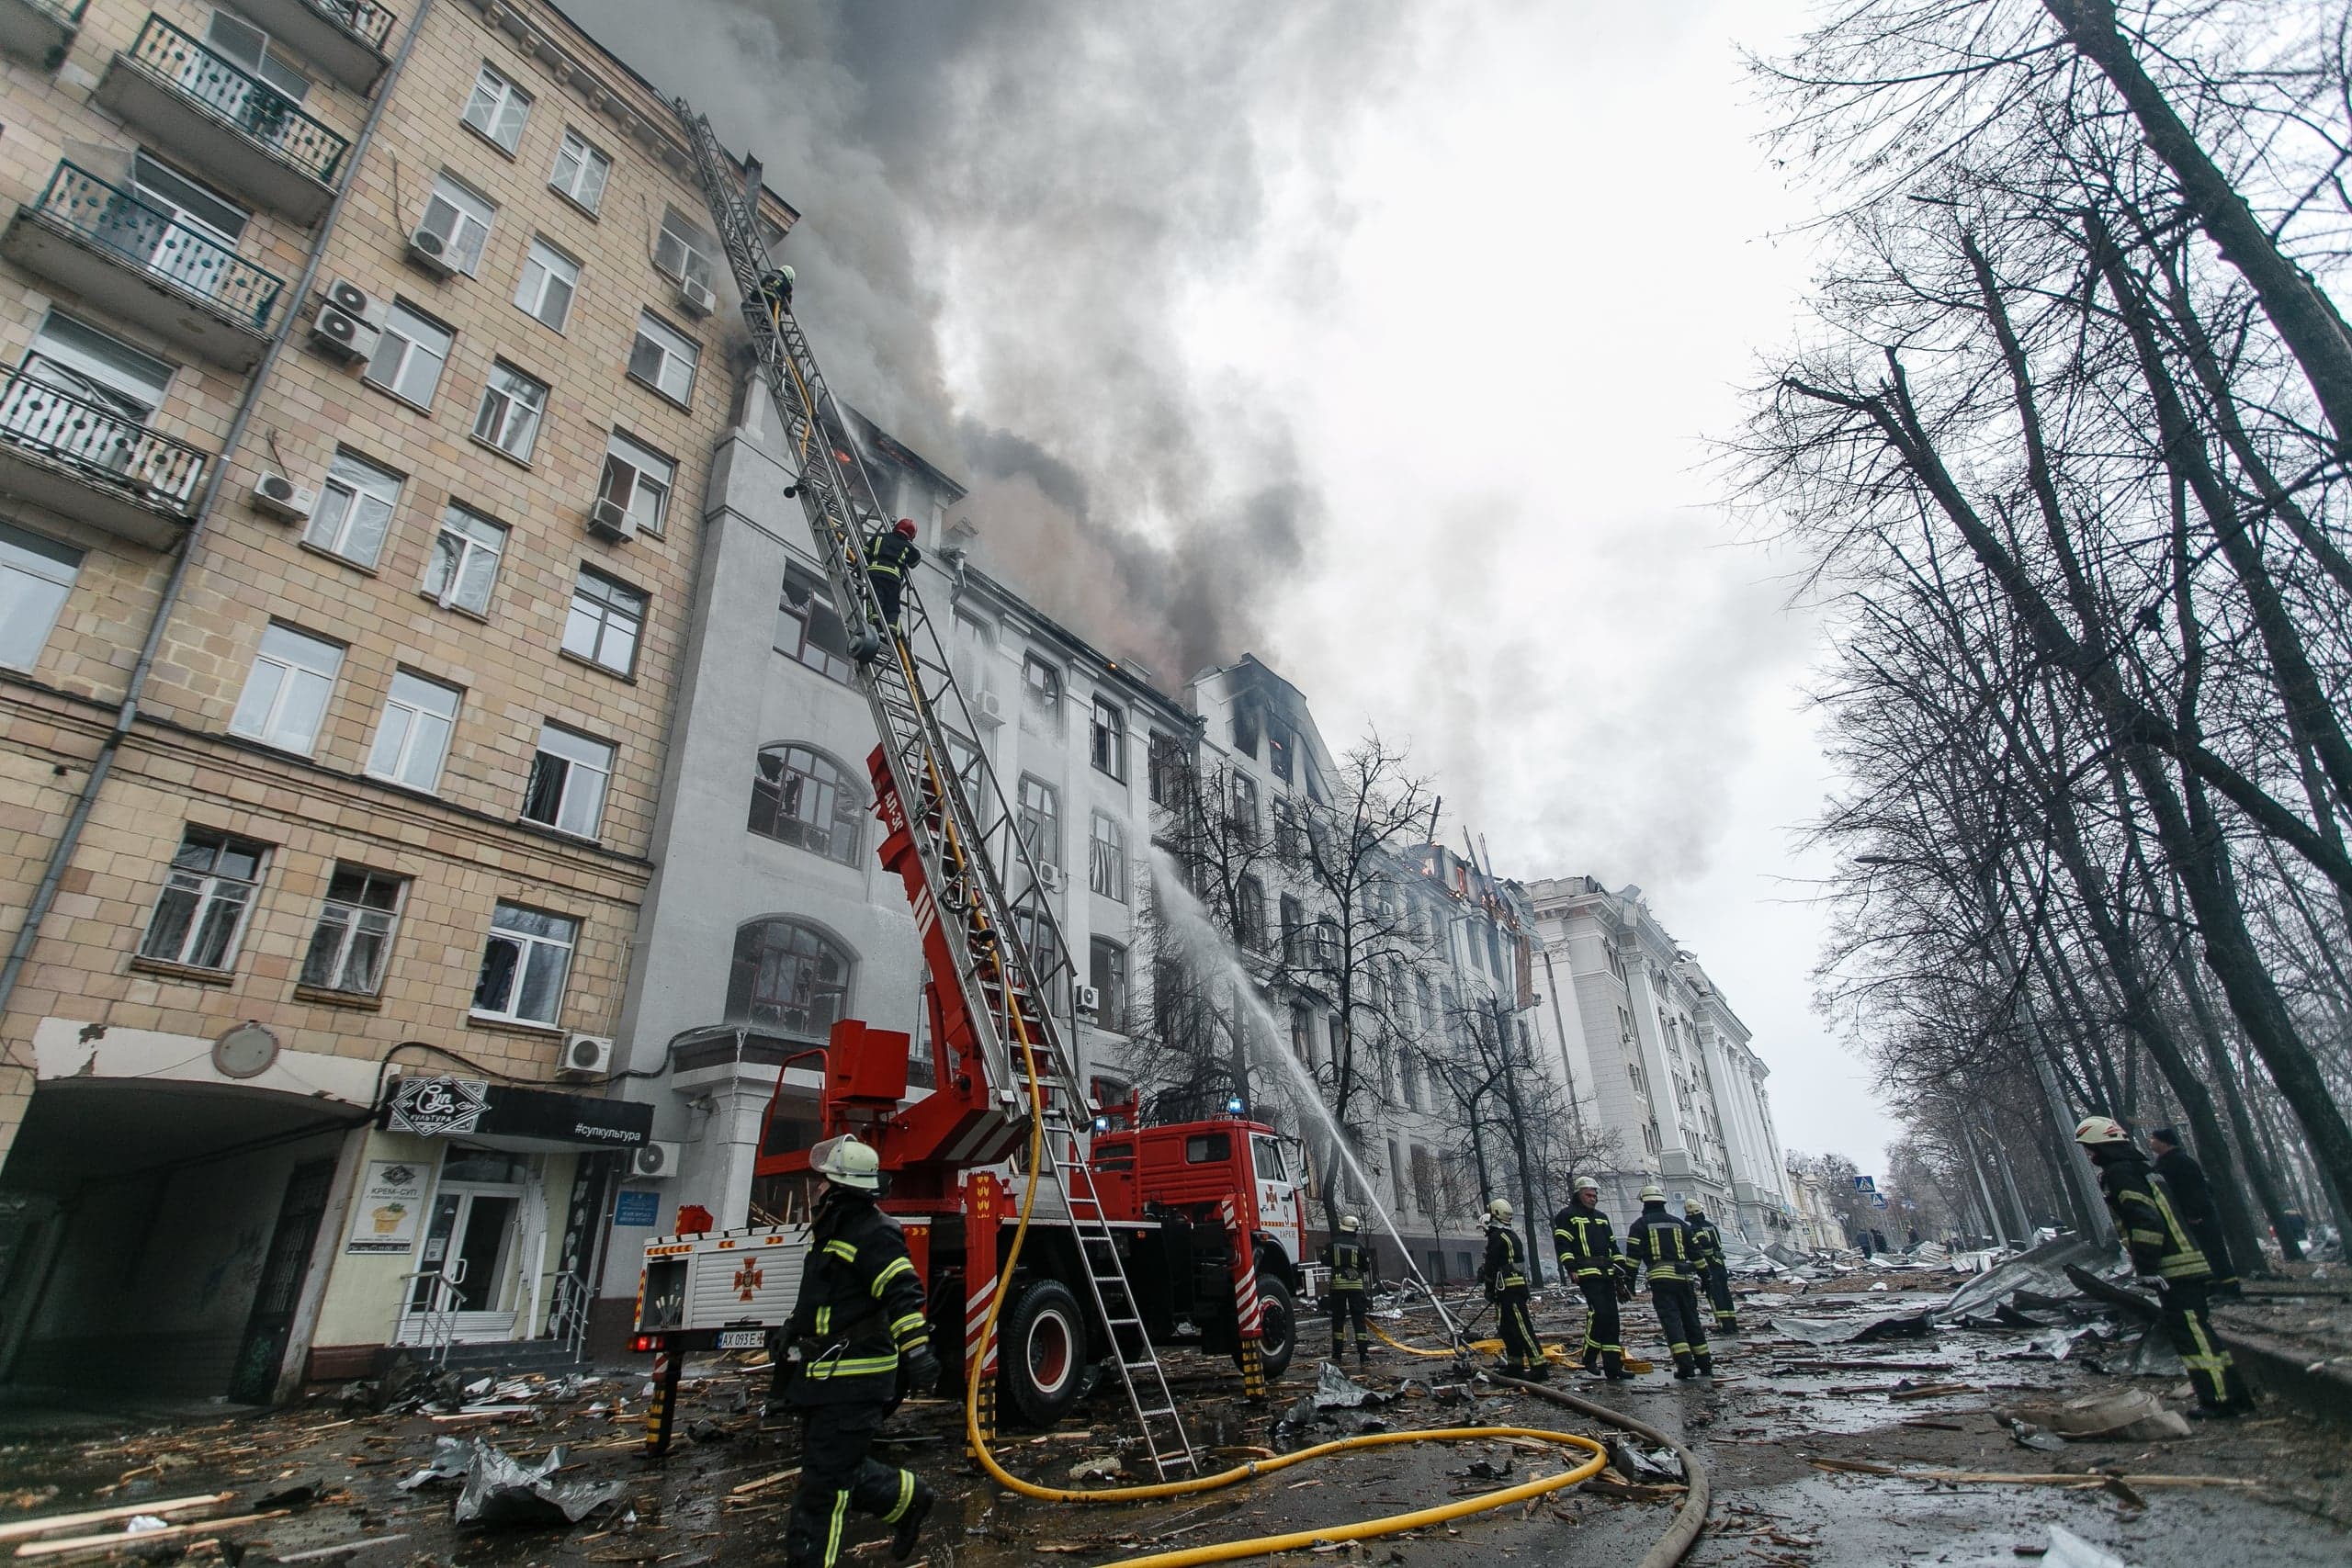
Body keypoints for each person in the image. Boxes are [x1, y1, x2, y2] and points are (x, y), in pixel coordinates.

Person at [783, 1134, 939, 1565]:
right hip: (824, 1379)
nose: (817, 1188)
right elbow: (825, 1297)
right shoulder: (832, 1232)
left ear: (840, 1187)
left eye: (823, 1181)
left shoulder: (875, 1233)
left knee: (822, 1491)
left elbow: (904, 1292)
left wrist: (917, 1350)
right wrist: (792, 1329)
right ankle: (908, 1500)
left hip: (855, 1377)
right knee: (835, 1471)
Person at [2074, 1116, 2255, 1418]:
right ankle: (2234, 1394)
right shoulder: (2144, 1169)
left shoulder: (2120, 1174)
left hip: (2173, 1267)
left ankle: (2219, 1401)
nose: (2090, 1156)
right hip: (2186, 1261)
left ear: (2101, 1147)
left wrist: (2146, 1265)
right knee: (2201, 1331)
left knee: (2192, 1335)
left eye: (2090, 1149)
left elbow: (2145, 1219)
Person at [1624, 1185, 1711, 1379]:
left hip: (1661, 1281)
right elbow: (1696, 1254)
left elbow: (1633, 1259)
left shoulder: (1639, 1225)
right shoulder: (1679, 1224)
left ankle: (1685, 1365)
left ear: (1644, 1204)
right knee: (1691, 1320)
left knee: (1672, 1321)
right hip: (1685, 1279)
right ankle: (1705, 1364)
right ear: (1663, 1202)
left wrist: (1628, 1283)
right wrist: (1706, 1277)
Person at [1553, 1175, 1634, 1379]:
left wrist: (1621, 1267)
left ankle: (1613, 1368)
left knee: (1612, 1320)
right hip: (1586, 1273)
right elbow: (1563, 1244)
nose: (1593, 1198)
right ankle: (1589, 1356)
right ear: (1578, 1195)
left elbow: (1613, 1245)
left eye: (1595, 1195)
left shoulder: (1601, 1217)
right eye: (1589, 1195)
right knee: (1600, 1314)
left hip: (1607, 1273)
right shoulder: (1567, 1216)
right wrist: (1570, 1267)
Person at [2148, 1126, 2240, 1298]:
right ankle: (2212, 1288)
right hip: (2185, 1218)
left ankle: (2230, 1288)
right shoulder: (2165, 1163)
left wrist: (2194, 1213)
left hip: (2200, 1217)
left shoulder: (2181, 1162)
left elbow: (2195, 1190)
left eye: (2153, 1138)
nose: (2150, 1142)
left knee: (2214, 1252)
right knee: (2202, 1255)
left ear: (2163, 1141)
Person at [1477, 1198, 1548, 1380]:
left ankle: (1539, 1366)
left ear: (1495, 1214)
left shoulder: (1497, 1237)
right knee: (1507, 1329)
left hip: (1508, 1292)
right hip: (1513, 1289)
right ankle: (1515, 1364)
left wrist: (1488, 1288)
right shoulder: (1512, 1236)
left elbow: (1492, 1266)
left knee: (1522, 1329)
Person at [851, 518, 922, 663]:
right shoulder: (908, 547)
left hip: (875, 572)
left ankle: (876, 627)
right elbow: (915, 561)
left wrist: (858, 569)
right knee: (892, 606)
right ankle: (892, 632)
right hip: (894, 578)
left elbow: (863, 553)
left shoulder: (879, 538)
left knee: (876, 600)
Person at [1324, 1214, 1374, 1368]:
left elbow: (1324, 1260)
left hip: (1338, 1287)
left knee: (1338, 1320)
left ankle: (1337, 1355)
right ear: (1354, 1230)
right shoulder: (1359, 1246)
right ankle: (1364, 1355)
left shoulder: (1333, 1244)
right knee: (1358, 1319)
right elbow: (1366, 1266)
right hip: (1355, 1287)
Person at [1685, 1199, 1738, 1337]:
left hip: (1710, 1266)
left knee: (1715, 1296)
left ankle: (1724, 1325)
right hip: (1720, 1264)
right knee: (1725, 1294)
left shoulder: (1695, 1229)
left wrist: (1700, 1263)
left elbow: (1704, 1246)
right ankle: (1732, 1324)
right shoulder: (1711, 1226)